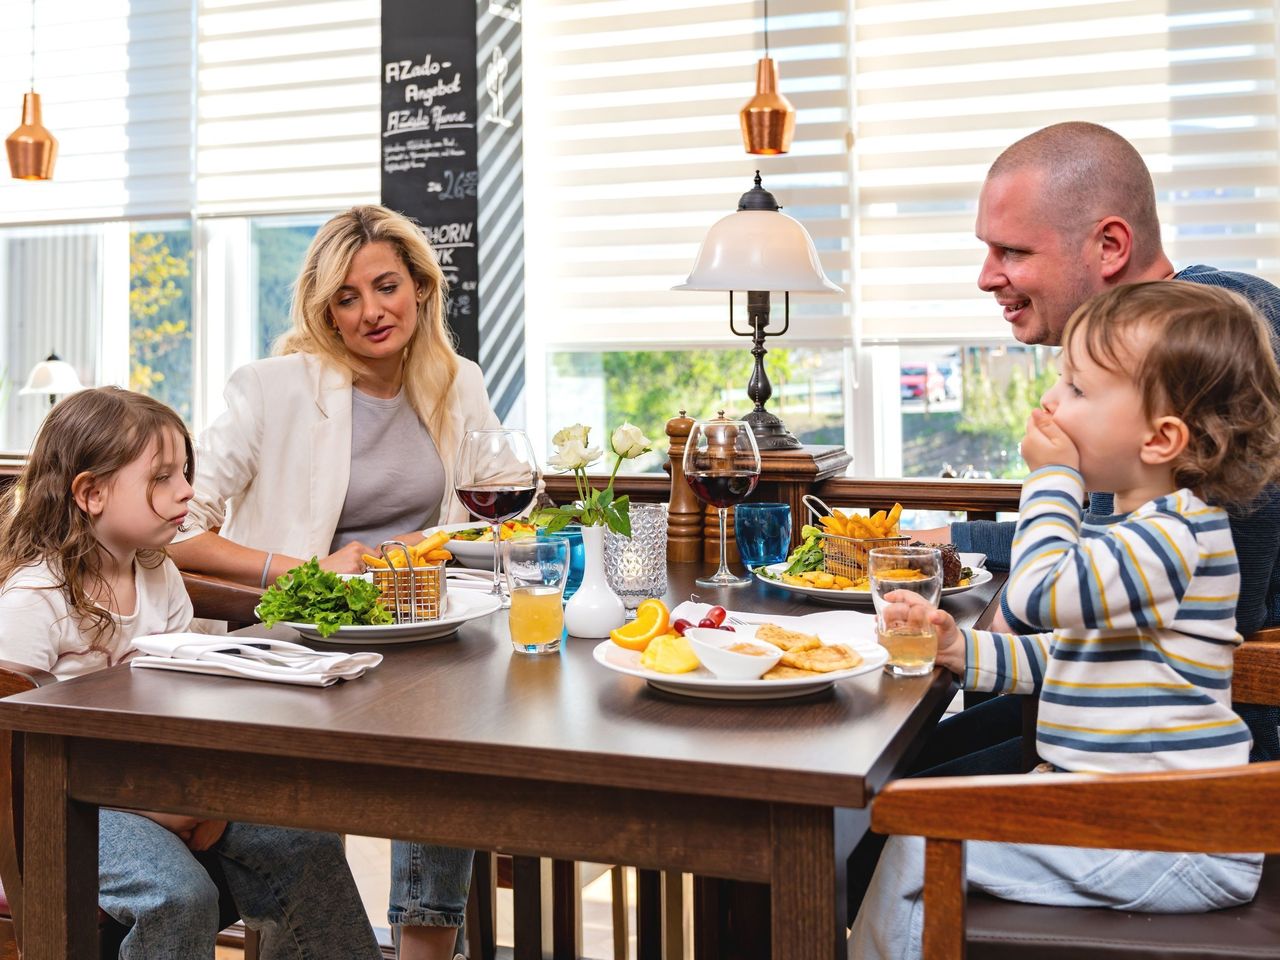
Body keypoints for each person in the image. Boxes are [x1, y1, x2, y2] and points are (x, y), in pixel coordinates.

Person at [850, 281, 1280, 959]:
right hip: (1135, 821)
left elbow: (1036, 595)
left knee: (917, 838)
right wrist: (964, 649)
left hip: (1169, 840)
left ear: (1162, 438)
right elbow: (1076, 654)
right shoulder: (1146, 530)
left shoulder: (1174, 539)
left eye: (1078, 390)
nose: (1052, 402)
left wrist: (1053, 480)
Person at [167, 204, 497, 959]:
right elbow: (178, 532)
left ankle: (423, 952)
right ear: (325, 312)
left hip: (420, 639)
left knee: (446, 762)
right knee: (301, 830)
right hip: (299, 647)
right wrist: (305, 572)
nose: (371, 312)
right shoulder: (273, 388)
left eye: (385, 286)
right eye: (346, 298)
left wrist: (431, 541)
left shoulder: (458, 383)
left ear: (419, 285)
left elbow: (498, 506)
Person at [913, 121, 1280, 771]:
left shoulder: (1211, 334)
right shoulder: (1136, 369)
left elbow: (1224, 590)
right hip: (1115, 703)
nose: (986, 277)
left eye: (1012, 251)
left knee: (869, 812)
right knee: (889, 778)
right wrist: (961, 542)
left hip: (1185, 748)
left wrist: (1047, 492)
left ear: (1109, 245)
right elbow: (1113, 539)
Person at [0, 386, 381, 960]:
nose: (186, 492)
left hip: (157, 783)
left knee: (305, 843)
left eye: (186, 472)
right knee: (177, 895)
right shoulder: (37, 596)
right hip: (60, 807)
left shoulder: (160, 577)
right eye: (162, 478)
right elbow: (8, 743)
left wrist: (204, 796)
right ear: (92, 493)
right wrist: (160, 807)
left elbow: (183, 700)